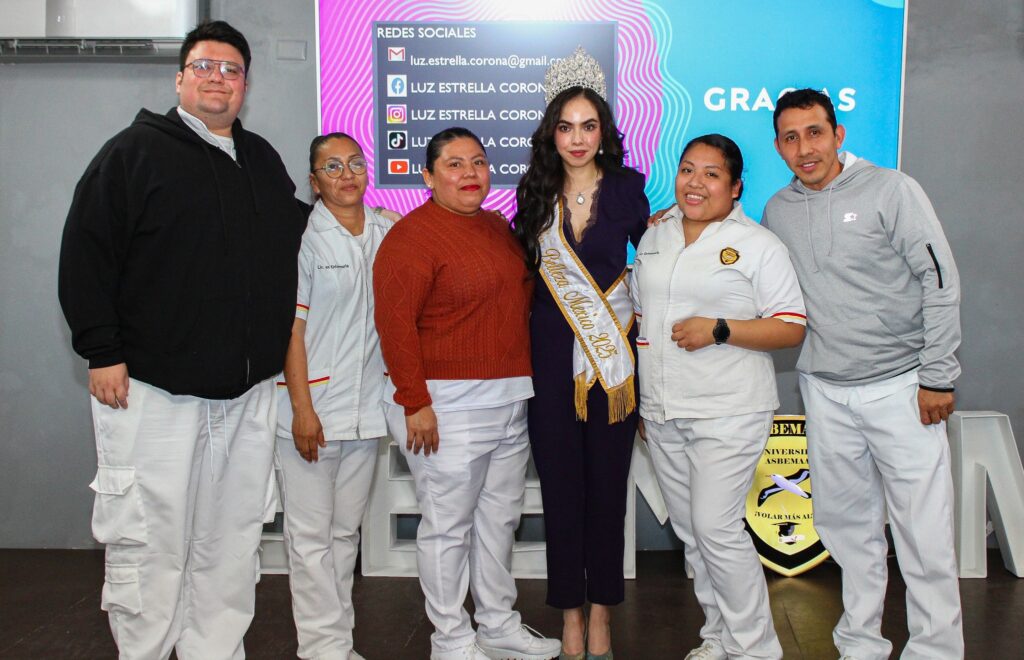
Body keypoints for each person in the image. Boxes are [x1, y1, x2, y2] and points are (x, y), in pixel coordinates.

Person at [57, 20, 306, 659]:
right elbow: (86, 255)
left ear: (245, 85)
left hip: (246, 392)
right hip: (152, 388)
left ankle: (214, 650)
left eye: (231, 69)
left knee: (231, 539)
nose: (218, 78)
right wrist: (102, 351)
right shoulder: (132, 154)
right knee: (151, 536)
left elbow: (295, 234)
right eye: (204, 66)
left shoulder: (261, 159)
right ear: (179, 78)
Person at [762, 88, 963, 660]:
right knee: (847, 530)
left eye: (815, 133)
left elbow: (939, 280)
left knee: (923, 534)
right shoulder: (777, 209)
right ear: (778, 147)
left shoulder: (891, 189)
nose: (805, 148)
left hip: (904, 386)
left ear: (838, 135)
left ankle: (936, 650)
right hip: (824, 390)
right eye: (791, 138)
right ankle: (860, 644)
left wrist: (938, 376)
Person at [373, 127, 561, 660]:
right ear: (428, 176)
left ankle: (497, 625)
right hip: (444, 405)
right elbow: (394, 326)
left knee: (499, 520)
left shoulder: (498, 227)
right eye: (454, 164)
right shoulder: (410, 238)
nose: (470, 173)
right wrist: (414, 402)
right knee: (448, 528)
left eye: (478, 162)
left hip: (509, 397)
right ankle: (451, 640)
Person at [631, 134, 805, 660]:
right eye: (688, 170)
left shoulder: (759, 245)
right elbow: (641, 318)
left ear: (735, 188)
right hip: (662, 410)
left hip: (729, 409)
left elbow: (791, 327)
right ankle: (719, 637)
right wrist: (642, 401)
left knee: (716, 528)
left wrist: (720, 329)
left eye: (712, 174)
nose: (696, 183)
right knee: (692, 532)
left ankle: (756, 648)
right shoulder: (655, 235)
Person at [513, 47, 649, 660]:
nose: (576, 138)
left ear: (604, 132)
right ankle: (569, 615)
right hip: (549, 367)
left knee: (607, 493)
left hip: (611, 369)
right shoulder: (534, 193)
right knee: (561, 495)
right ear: (552, 133)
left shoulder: (628, 190)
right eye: (565, 127)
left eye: (588, 126)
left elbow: (652, 269)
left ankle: (602, 616)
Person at [274, 133, 393, 660]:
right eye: (332, 167)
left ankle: (338, 645)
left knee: (345, 535)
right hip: (312, 412)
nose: (347, 175)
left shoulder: (388, 231)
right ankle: (321, 649)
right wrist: (302, 410)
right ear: (314, 181)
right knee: (310, 539)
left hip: (367, 412)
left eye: (355, 164)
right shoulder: (304, 240)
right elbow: (292, 332)